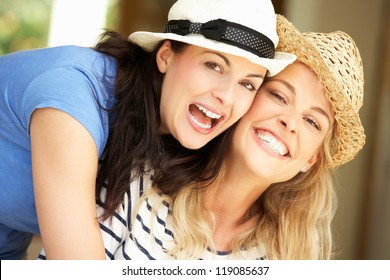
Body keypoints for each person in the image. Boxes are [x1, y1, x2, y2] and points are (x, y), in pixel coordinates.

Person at [0, 0, 295, 260]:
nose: (227, 97)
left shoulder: (160, 138)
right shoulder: (75, 101)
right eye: (214, 66)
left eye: (248, 84)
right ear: (166, 55)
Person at [94, 15, 365, 260]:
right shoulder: (135, 179)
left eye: (311, 122)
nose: (290, 122)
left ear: (312, 158)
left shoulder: (287, 258)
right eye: (279, 96)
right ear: (246, 98)